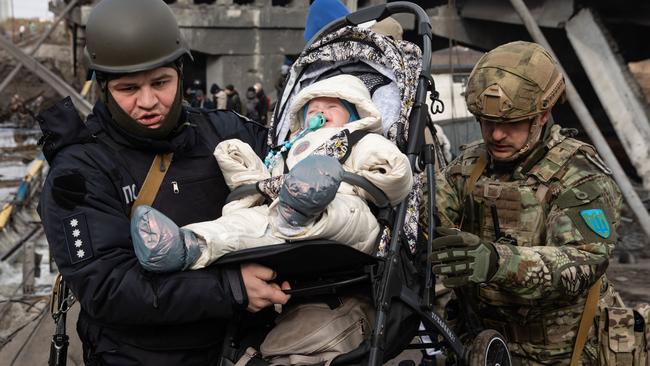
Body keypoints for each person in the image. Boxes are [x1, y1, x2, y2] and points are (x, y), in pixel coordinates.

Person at [36, 0, 289, 365]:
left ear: (180, 75)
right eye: (128, 88)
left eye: (160, 82)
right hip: (142, 355)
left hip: (248, 346)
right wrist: (230, 288)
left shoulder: (226, 133)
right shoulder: (79, 171)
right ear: (103, 87)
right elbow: (107, 288)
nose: (149, 101)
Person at [131, 74, 413, 363]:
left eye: (331, 107)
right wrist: (247, 169)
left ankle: (302, 207)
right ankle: (186, 245)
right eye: (313, 109)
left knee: (338, 212)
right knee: (241, 224)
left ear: (353, 113)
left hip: (345, 207)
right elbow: (269, 180)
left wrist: (384, 166)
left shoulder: (360, 139)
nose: (321, 113)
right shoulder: (292, 147)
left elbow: (395, 174)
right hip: (280, 211)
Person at [432, 41, 623, 365]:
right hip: (479, 346)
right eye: (487, 122)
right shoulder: (470, 166)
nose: (496, 136)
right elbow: (430, 214)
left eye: (511, 124)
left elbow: (585, 261)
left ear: (543, 115)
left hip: (559, 355)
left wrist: (497, 262)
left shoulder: (578, 175)